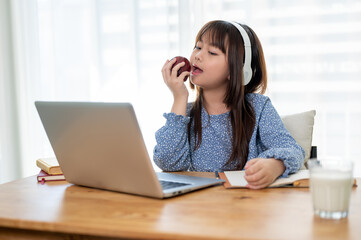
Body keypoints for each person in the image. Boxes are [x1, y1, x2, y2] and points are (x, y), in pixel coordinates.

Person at [153, 20, 305, 189]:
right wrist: (179, 97)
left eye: (212, 52)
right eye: (198, 47)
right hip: (199, 205)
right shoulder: (184, 115)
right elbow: (168, 163)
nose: (197, 55)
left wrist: (276, 165)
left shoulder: (258, 107)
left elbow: (293, 150)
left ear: (237, 70)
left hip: (246, 203)